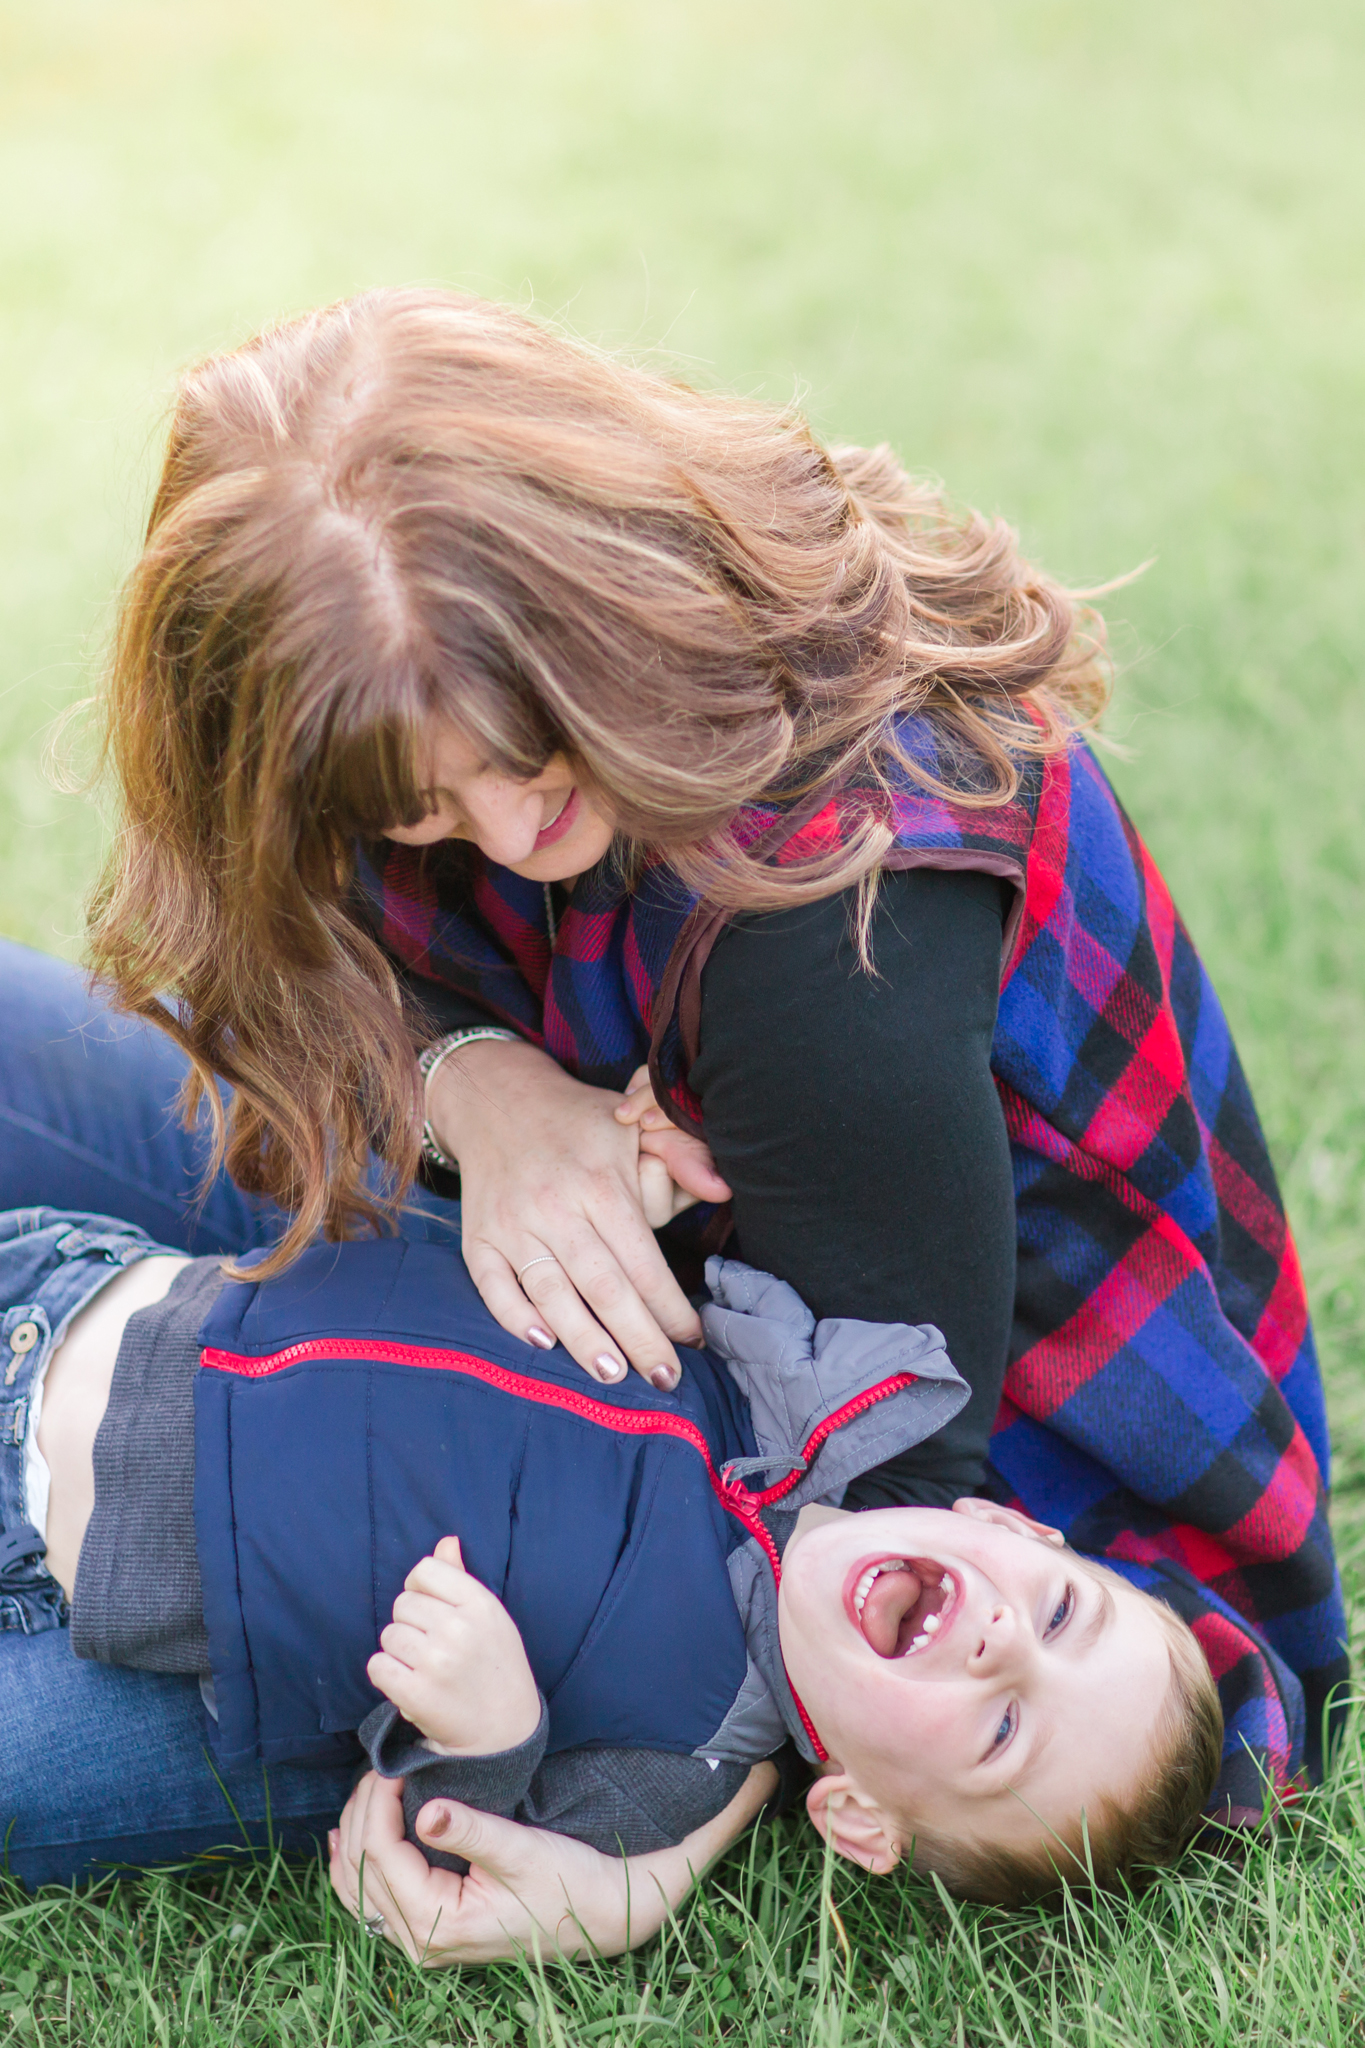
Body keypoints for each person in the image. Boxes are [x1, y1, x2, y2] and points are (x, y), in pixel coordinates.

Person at [0, 287, 1345, 1956]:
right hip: (595, 1293)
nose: (502, 829)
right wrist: (476, 1085)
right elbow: (275, 983)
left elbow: (863, 1509)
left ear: (599, 600)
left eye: (532, 760)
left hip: (826, 1491)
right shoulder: (379, 669)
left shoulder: (834, 922)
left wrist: (644, 1837)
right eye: (417, 802)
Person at [3, 1204, 1220, 1947]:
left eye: (1005, 1728)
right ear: (1008, 1524)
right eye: (1062, 1610)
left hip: (62, 1547)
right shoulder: (808, 1375)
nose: (1006, 1641)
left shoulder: (681, 1764)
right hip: (77, 1283)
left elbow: (460, 1843)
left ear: (859, 1815)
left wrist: (489, 1732)